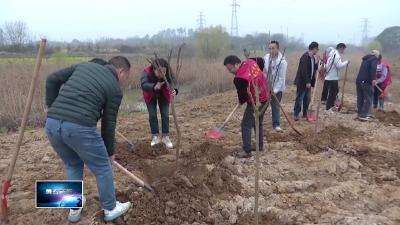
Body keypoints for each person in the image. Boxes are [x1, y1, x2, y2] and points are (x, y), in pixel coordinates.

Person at [45, 56, 132, 222]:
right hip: (80, 127)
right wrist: (109, 152)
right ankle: (111, 208)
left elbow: (51, 79)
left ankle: (74, 209)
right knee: (102, 167)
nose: (124, 82)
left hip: (52, 125)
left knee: (73, 164)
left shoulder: (83, 66)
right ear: (121, 71)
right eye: (126, 77)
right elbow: (109, 123)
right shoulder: (115, 88)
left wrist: (51, 107)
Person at [223, 55, 269, 158]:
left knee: (246, 125)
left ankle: (247, 151)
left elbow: (243, 97)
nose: (230, 71)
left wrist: (241, 101)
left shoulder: (239, 78)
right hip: (266, 96)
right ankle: (259, 145)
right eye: (228, 69)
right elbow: (261, 60)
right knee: (258, 123)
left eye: (230, 69)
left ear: (237, 64)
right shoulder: (250, 62)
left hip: (256, 102)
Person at [141, 58, 178, 148]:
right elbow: (144, 84)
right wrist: (154, 86)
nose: (162, 74)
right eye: (159, 72)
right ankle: (155, 136)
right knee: (152, 115)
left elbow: (173, 81)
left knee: (165, 115)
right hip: (150, 94)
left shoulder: (168, 71)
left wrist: (175, 90)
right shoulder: (147, 71)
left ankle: (166, 137)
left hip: (164, 94)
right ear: (154, 69)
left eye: (164, 71)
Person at [263, 40, 287, 132]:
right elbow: (264, 71)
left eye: (273, 48)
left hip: (277, 89)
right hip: (266, 87)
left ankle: (276, 125)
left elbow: (281, 79)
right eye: (269, 48)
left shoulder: (282, 62)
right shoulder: (266, 57)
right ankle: (258, 122)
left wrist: (274, 90)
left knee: (275, 107)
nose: (271, 50)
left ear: (277, 49)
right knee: (262, 105)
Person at [293, 42, 319, 121]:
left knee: (307, 99)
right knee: (299, 98)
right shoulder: (305, 57)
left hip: (308, 83)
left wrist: (317, 63)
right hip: (302, 82)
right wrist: (307, 82)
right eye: (317, 49)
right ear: (313, 48)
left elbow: (313, 69)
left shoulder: (312, 58)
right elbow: (303, 71)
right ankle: (296, 114)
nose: (317, 50)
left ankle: (305, 114)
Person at [320, 43, 349, 112]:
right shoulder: (336, 55)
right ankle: (328, 108)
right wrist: (346, 62)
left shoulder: (332, 54)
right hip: (332, 78)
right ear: (340, 48)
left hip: (330, 77)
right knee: (332, 94)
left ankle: (332, 106)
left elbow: (327, 66)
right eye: (343, 49)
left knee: (334, 93)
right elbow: (339, 65)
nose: (343, 51)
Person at [356, 50, 380, 121]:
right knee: (369, 99)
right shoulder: (374, 59)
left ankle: (360, 113)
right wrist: (373, 79)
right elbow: (373, 68)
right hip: (366, 82)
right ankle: (363, 115)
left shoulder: (365, 59)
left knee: (360, 98)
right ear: (376, 55)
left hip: (359, 81)